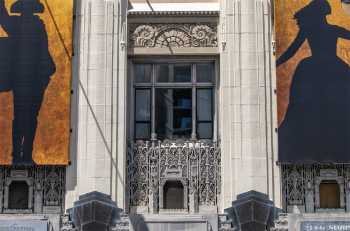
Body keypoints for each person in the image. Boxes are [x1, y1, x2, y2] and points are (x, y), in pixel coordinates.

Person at [277, 0, 350, 163]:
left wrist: (276, 63)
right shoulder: (332, 29)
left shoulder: (309, 29)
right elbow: (293, 49)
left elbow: (292, 50)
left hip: (313, 69)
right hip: (332, 69)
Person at [0, 0, 56, 165]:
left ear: (32, 9)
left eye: (29, 7)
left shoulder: (39, 26)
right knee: (22, 117)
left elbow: (43, 50)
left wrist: (44, 73)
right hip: (21, 77)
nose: (26, 10)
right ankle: (18, 155)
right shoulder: (16, 23)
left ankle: (25, 154)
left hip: (34, 77)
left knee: (31, 117)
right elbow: (2, 17)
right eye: (24, 7)